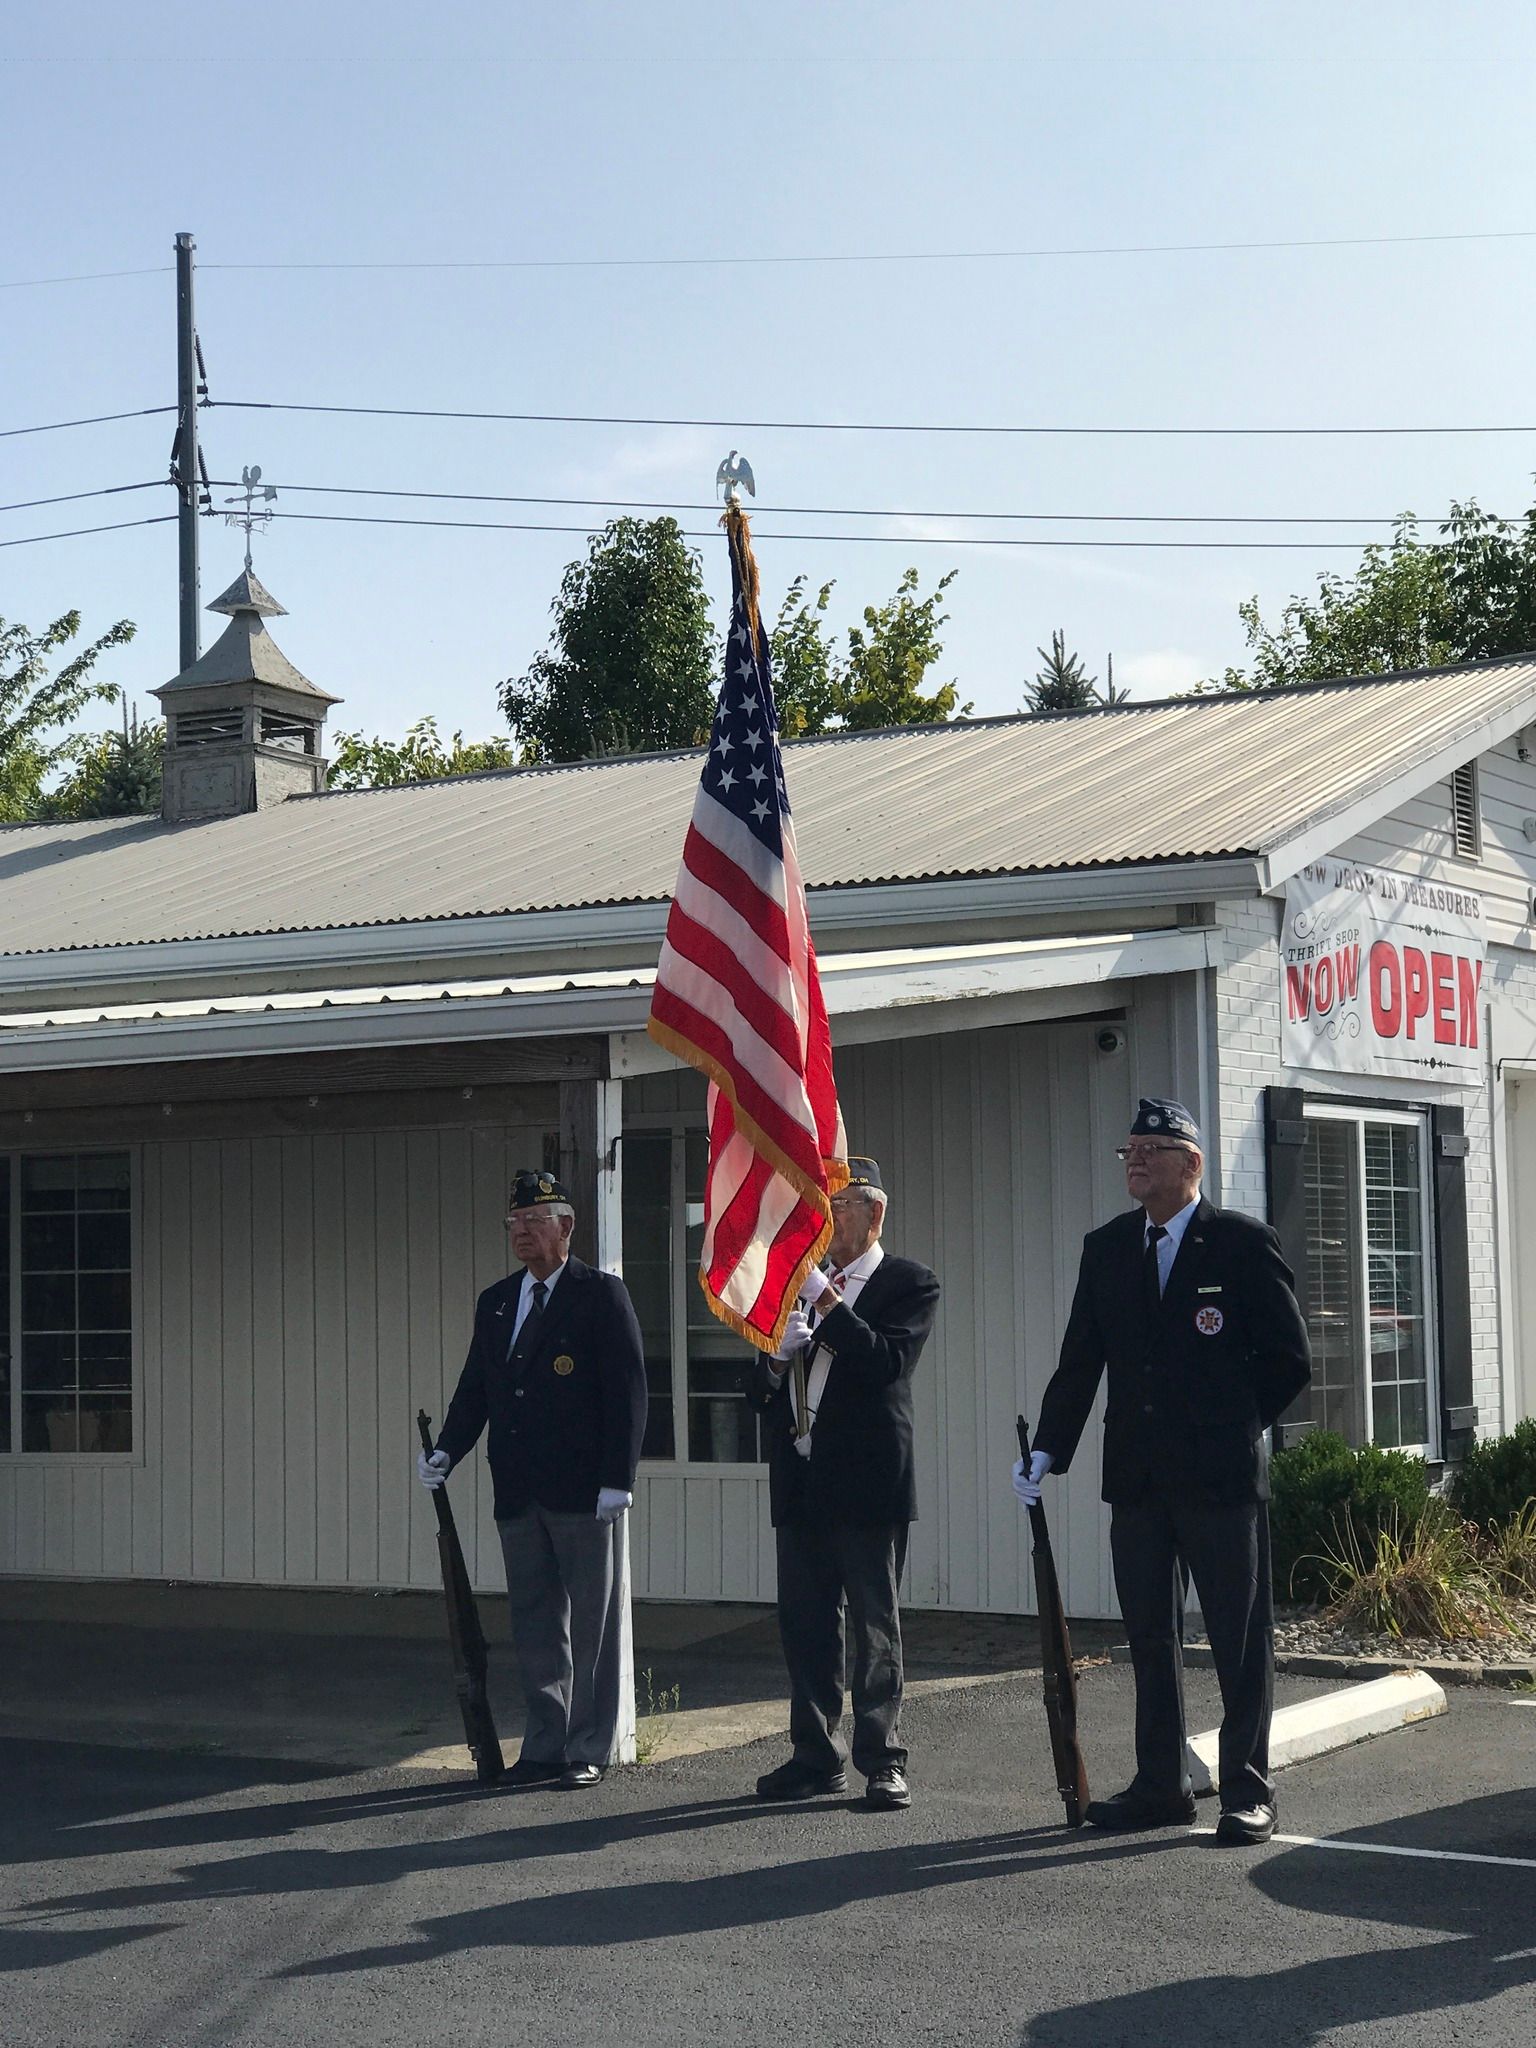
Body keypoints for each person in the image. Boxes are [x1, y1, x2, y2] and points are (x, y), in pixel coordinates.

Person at [1013, 1098, 1310, 1845]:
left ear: (1192, 1164)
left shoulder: (1240, 1244)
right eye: (1130, 1149)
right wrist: (1049, 1447)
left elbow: (1288, 1361)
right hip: (1139, 1482)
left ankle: (1247, 1790)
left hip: (1220, 1483)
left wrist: (1234, 1429)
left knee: (1238, 1641)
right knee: (1149, 1637)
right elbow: (1081, 1359)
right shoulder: (1109, 1248)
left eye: (1152, 1147)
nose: (1136, 1159)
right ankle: (1159, 1785)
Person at [418, 1169, 647, 1789]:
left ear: (565, 1228)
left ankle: (588, 1745)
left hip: (583, 1490)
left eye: (534, 1221)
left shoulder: (600, 1294)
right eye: (513, 1223)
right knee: (535, 1620)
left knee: (592, 1622)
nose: (521, 1232)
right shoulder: (497, 1300)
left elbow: (627, 1394)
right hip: (518, 1487)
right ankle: (545, 1743)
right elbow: (477, 1389)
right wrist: (447, 1449)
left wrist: (617, 1477)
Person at [748, 1158, 941, 1811]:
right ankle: (814, 1755)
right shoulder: (790, 1285)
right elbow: (754, 1393)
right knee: (805, 1626)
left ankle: (882, 1759)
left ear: (873, 1213)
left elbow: (887, 1364)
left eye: (831, 1206)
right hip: (800, 1480)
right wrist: (775, 1359)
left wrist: (829, 1306)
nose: (818, 1221)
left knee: (873, 1626)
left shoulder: (907, 1282)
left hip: (867, 1486)